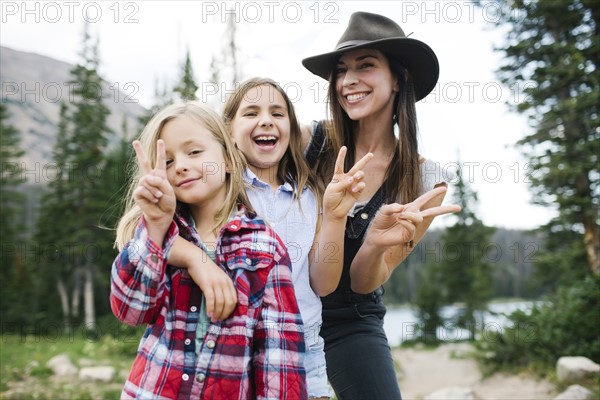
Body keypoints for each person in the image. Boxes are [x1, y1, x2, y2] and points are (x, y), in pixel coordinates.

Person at [169, 77, 373, 399]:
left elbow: (323, 284)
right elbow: (154, 236)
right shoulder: (217, 189)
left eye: (278, 113)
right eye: (251, 113)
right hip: (231, 355)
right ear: (228, 131)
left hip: (303, 357)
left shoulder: (310, 197)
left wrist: (333, 217)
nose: (266, 120)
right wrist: (196, 261)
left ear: (290, 128)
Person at [301, 11, 461, 399]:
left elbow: (364, 282)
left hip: (349, 321)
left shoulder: (425, 182)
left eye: (366, 65)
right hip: (285, 304)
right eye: (341, 70)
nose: (348, 81)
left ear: (399, 77)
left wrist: (374, 244)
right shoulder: (310, 141)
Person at [110, 101, 307, 399]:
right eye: (168, 162)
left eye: (194, 152)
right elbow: (130, 311)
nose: (181, 166)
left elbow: (280, 358)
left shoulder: (265, 248)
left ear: (228, 160)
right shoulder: (157, 234)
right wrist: (155, 224)